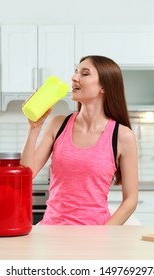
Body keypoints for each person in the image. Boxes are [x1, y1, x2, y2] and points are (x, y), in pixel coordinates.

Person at [21, 55, 138, 225]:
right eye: (76, 72)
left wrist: (104, 233)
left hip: (95, 237)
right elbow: (26, 175)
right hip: (52, 232)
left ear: (103, 86)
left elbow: (131, 200)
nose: (74, 77)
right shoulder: (58, 124)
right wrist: (34, 129)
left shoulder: (122, 136)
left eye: (84, 73)